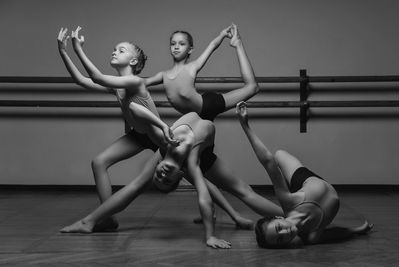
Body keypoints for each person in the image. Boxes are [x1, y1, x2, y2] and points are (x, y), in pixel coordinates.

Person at [57, 26, 252, 231]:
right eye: (115, 49)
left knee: (195, 177)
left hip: (160, 139)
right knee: (99, 163)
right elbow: (81, 80)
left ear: (133, 62)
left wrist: (78, 48)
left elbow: (96, 77)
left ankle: (234, 215)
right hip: (138, 135)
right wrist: (64, 52)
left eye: (121, 50)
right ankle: (107, 218)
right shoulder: (117, 84)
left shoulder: (134, 81)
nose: (114, 52)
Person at [147, 24, 284, 221]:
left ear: (190, 48)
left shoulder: (191, 67)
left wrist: (223, 37)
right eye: (173, 43)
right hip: (198, 130)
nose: (176, 47)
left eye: (181, 43)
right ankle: (290, 216)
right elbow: (203, 185)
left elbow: (211, 47)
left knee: (252, 88)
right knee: (228, 186)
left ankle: (238, 45)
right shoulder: (163, 75)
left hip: (206, 107)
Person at [61, 110, 235, 249]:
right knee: (139, 184)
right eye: (166, 179)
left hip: (188, 128)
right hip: (202, 130)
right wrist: (210, 235)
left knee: (138, 184)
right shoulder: (190, 161)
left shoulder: (165, 145)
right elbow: (204, 195)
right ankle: (89, 221)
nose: (163, 174)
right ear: (180, 176)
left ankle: (88, 221)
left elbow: (140, 111)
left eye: (160, 176)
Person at [235, 101, 373, 248]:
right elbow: (336, 233)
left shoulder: (288, 201)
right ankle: (287, 187)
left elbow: (268, 162)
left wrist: (245, 125)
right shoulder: (313, 236)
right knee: (279, 159)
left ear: (278, 217)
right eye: (280, 239)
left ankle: (288, 185)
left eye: (278, 228)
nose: (284, 233)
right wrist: (357, 230)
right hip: (318, 190)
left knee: (279, 155)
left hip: (303, 179)